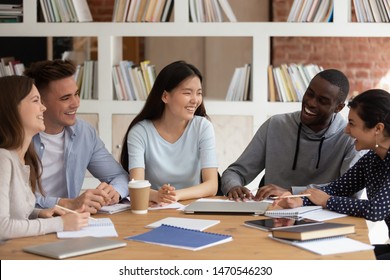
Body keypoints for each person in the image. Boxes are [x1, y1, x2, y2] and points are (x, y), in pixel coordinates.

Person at [270, 89, 390, 260]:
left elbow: (376, 210)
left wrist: (327, 201)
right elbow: (337, 188)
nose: (346, 130)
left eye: (352, 124)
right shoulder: (373, 159)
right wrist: (299, 200)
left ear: (378, 128)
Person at [222, 69, 363, 201]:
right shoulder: (275, 125)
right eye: (310, 93)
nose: (311, 103)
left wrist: (291, 193)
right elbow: (235, 172)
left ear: (338, 108)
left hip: (325, 219)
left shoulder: (350, 139)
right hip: (273, 214)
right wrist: (234, 187)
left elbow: (350, 192)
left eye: (322, 101)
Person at [24, 60, 129, 214]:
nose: (76, 103)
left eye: (77, 94)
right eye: (65, 98)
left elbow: (120, 176)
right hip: (27, 223)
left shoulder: (84, 133)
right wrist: (66, 203)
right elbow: (17, 199)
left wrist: (115, 191)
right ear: (40, 101)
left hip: (70, 222)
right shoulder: (17, 136)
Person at [0, 76, 90, 241]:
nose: (43, 108)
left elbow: (14, 212)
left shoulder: (23, 157)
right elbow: (2, 227)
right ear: (12, 108)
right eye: (36, 101)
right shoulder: (3, 159)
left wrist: (39, 213)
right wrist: (60, 224)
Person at [120, 60, 218, 205]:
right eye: (187, 93)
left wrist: (175, 195)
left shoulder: (203, 127)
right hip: (154, 207)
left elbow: (212, 186)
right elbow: (137, 186)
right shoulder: (140, 132)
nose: (195, 100)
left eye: (199, 93)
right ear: (165, 96)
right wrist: (157, 196)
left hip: (192, 208)